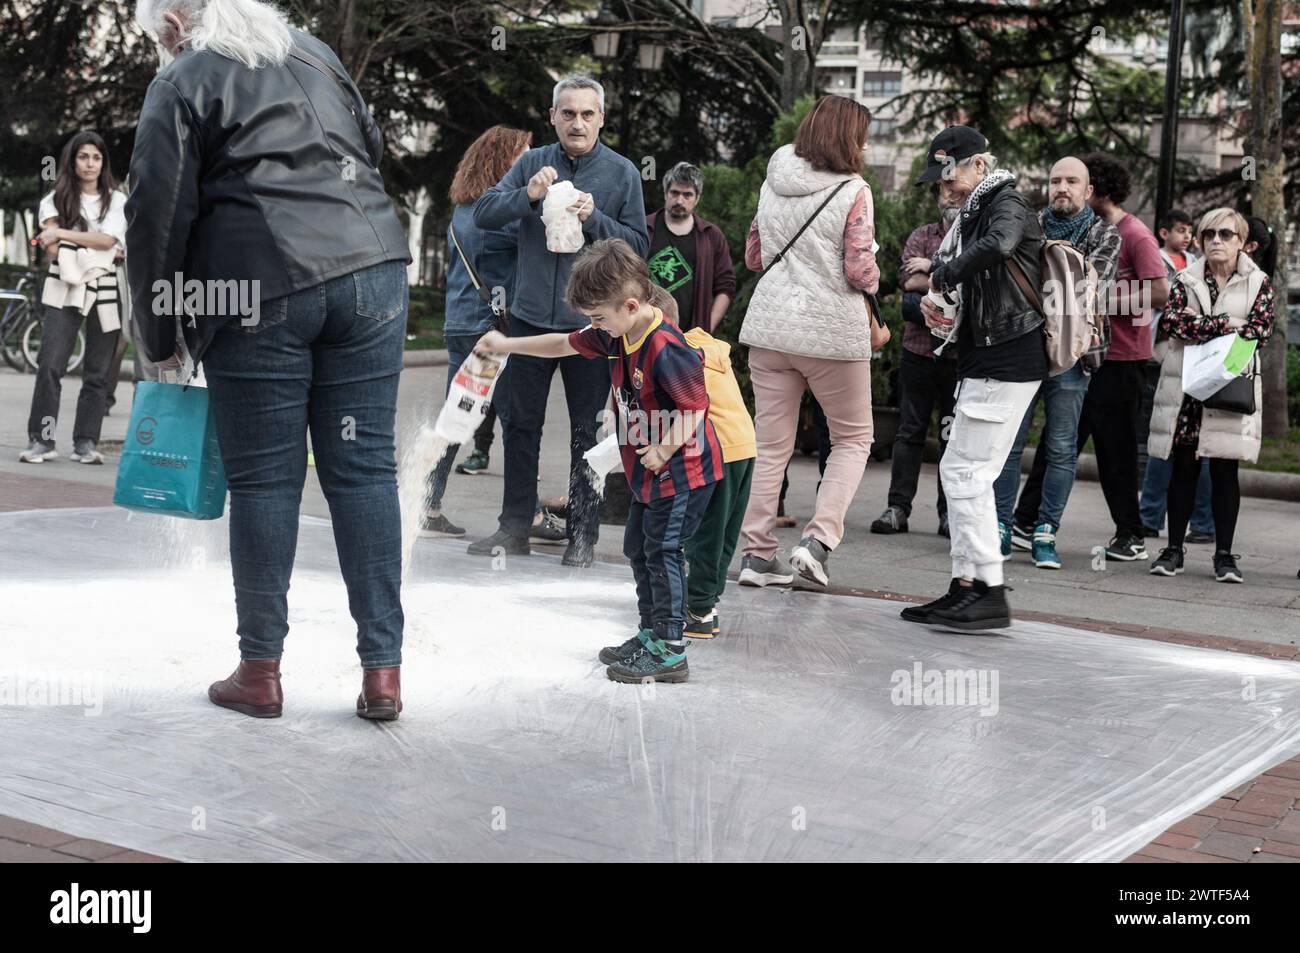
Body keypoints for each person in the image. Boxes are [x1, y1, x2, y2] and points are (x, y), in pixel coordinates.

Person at [128, 0, 412, 720]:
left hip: (257, 287)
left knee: (264, 483)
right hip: (374, 269)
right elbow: (369, 148)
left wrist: (159, 336)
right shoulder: (316, 51)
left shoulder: (182, 81)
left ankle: (260, 671)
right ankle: (383, 671)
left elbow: (157, 217)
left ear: (176, 21)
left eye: (159, 33)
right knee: (365, 470)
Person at [476, 239, 723, 683]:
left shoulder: (666, 346)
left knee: (664, 550)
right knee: (639, 548)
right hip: (648, 472)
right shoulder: (619, 331)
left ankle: (670, 648)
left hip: (682, 471)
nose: (594, 326)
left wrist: (664, 448)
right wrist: (507, 344)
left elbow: (694, 408)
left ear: (630, 305)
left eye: (598, 318)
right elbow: (561, 344)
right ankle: (651, 634)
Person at [469, 75, 648, 568]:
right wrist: (526, 194)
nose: (577, 122)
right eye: (568, 113)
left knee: (587, 432)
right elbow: (483, 213)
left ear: (601, 119)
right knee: (519, 423)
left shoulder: (622, 173)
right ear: (553, 117)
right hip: (527, 319)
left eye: (587, 114)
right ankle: (514, 527)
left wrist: (596, 220)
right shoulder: (532, 163)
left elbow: (639, 246)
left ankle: (583, 535)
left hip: (592, 325)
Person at [902, 126, 1046, 631]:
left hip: (1009, 355)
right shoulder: (972, 215)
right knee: (957, 470)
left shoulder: (1007, 205)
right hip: (983, 356)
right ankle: (966, 585)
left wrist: (942, 275)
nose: (941, 189)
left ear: (979, 167)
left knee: (968, 474)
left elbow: (1003, 245)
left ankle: (988, 590)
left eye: (947, 177)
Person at [736, 94, 879, 591]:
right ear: (848, 137)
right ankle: (816, 544)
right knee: (853, 438)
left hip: (771, 329)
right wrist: (878, 277)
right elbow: (859, 268)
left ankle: (756, 556)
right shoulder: (853, 189)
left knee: (769, 445)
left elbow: (754, 255)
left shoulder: (773, 178)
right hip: (830, 333)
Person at [994, 156, 1121, 570]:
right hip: (1024, 348)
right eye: (1055, 180)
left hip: (1074, 354)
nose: (1061, 187)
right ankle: (999, 527)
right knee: (1011, 445)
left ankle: (1046, 531)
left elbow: (1087, 283)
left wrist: (1044, 263)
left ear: (1088, 191)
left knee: (1062, 448)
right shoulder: (1027, 222)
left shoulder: (1106, 234)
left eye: (1071, 181)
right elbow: (1011, 276)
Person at [1147, 208, 1274, 583]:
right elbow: (1172, 323)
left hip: (1230, 384)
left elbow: (1259, 332)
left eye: (1225, 234)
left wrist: (1203, 327)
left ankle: (1224, 556)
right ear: (1201, 241)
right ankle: (1173, 550)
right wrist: (1224, 324)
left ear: (1240, 241)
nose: (1216, 241)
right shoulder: (1185, 278)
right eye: (1209, 235)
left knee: (1224, 469)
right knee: (1183, 466)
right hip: (1187, 385)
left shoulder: (1258, 282)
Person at [419, 124, 531, 539]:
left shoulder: (463, 209)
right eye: (523, 154)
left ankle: (426, 502)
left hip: (460, 323)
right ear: (502, 161)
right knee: (519, 421)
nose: (530, 161)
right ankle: (527, 513)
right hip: (490, 331)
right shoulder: (497, 215)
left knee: (458, 413)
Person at [644, 285, 756, 639]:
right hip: (745, 444)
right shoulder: (706, 345)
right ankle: (707, 602)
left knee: (704, 535)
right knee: (723, 534)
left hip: (717, 449)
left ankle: (698, 608)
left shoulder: (673, 354)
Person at [20, 131, 126, 466]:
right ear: (72, 160)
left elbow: (107, 241)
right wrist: (93, 247)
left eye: (96, 157)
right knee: (51, 365)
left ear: (103, 162)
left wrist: (64, 235)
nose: (90, 164)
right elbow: (51, 251)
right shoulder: (54, 199)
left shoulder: (118, 200)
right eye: (83, 157)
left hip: (106, 291)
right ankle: (42, 439)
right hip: (63, 288)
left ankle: (85, 442)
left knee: (97, 373)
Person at [871, 183, 959, 538]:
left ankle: (948, 514)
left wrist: (933, 269)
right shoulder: (921, 236)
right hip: (918, 350)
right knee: (909, 431)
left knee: (953, 435)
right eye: (944, 193)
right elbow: (910, 285)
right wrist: (948, 282)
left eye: (957, 193)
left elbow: (969, 287)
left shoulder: (978, 237)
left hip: (958, 356)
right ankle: (898, 508)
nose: (950, 199)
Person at [1139, 208, 1214, 543]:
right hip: (1165, 356)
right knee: (1163, 439)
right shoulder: (1156, 261)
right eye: (1182, 230)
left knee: (1203, 446)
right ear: (1163, 232)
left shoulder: (1199, 266)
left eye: (1191, 231)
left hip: (1201, 363)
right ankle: (1150, 516)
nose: (1189, 237)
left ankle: (1201, 523)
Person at [645, 162, 736, 333]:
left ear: (697, 198)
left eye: (687, 195)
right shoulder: (644, 229)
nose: (680, 200)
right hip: (644, 331)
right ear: (665, 193)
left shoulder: (711, 235)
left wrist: (704, 331)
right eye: (675, 193)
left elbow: (725, 286)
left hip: (690, 336)